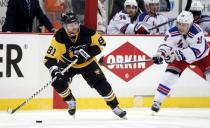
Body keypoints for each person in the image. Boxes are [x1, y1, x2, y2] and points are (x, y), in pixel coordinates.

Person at [43, 11, 127, 118]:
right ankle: (70, 100)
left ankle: (115, 106)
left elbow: (101, 43)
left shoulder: (87, 32)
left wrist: (87, 54)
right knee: (57, 82)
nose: (74, 27)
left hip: (88, 63)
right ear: (64, 26)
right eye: (70, 25)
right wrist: (55, 70)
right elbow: (49, 58)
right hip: (67, 63)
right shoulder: (59, 37)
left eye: (75, 24)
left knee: (102, 84)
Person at [151, 11, 210, 113]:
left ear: (190, 24)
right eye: (179, 24)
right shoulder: (172, 32)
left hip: (203, 56)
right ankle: (157, 101)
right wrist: (160, 54)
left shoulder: (197, 32)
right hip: (181, 56)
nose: (181, 27)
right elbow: (166, 44)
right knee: (169, 75)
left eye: (184, 25)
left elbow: (197, 52)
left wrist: (176, 55)